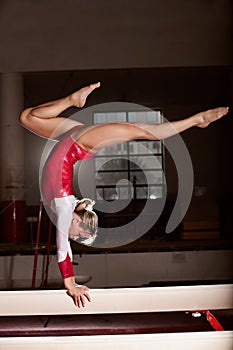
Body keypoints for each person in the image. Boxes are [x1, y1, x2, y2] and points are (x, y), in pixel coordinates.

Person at [19, 82, 229, 307]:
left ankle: (72, 100)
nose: (74, 238)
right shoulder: (65, 208)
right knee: (141, 131)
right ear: (77, 220)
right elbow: (64, 247)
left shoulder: (64, 208)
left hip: (71, 138)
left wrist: (69, 283)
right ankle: (198, 120)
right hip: (79, 142)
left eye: (78, 238)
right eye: (79, 235)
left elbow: (63, 248)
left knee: (26, 118)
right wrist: (70, 281)